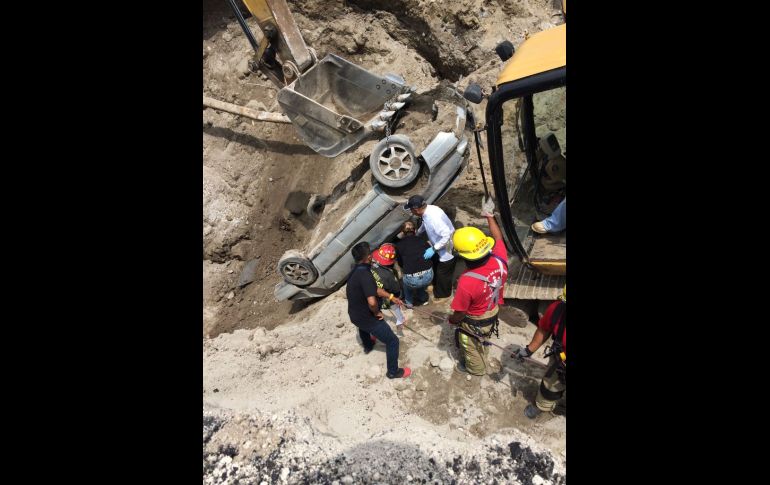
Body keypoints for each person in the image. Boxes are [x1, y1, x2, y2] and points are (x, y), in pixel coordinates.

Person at [446, 197, 508, 376]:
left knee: (469, 344)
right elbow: (498, 237)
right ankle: (484, 349)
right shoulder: (499, 258)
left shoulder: (466, 281)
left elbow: (460, 313)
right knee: (483, 337)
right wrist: (489, 215)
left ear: (463, 257)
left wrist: (451, 321)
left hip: (475, 320)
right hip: (493, 310)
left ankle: (476, 369)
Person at [346, 241, 411, 379]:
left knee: (362, 327)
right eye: (371, 254)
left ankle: (368, 345)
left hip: (354, 315)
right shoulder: (366, 274)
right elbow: (372, 301)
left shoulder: (355, 269)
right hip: (367, 317)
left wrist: (391, 297)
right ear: (369, 257)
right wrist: (376, 312)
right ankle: (393, 372)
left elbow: (373, 289)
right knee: (393, 341)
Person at [515, 286, 566, 418]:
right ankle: (542, 405)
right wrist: (528, 350)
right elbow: (544, 329)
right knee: (550, 387)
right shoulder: (558, 309)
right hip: (562, 361)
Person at [403, 194, 456, 301]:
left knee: (443, 274)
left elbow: (446, 234)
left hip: (446, 248)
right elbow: (425, 223)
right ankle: (438, 287)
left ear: (416, 209)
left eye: (411, 210)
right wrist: (418, 232)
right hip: (437, 244)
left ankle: (443, 295)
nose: (411, 212)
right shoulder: (429, 210)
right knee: (437, 267)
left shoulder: (433, 218)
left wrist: (434, 248)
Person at [395, 221, 433, 308]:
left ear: (402, 232)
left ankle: (409, 303)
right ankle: (423, 298)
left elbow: (400, 263)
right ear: (415, 231)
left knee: (405, 284)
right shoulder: (423, 240)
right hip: (428, 276)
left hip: (412, 280)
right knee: (421, 283)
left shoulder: (399, 245)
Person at [370, 243, 407, 333]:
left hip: (372, 293)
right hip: (386, 296)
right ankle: (400, 319)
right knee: (394, 303)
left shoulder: (370, 265)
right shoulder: (388, 275)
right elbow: (396, 290)